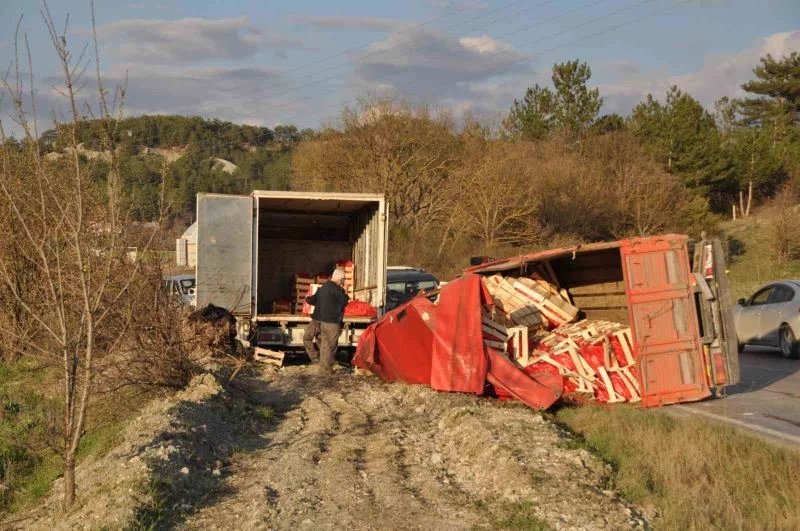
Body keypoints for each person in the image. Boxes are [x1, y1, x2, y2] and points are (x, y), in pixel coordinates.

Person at [303, 267, 350, 375]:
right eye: (343, 280)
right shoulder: (337, 289)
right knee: (330, 346)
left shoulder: (324, 287)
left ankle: (323, 368)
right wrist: (346, 292)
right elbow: (343, 302)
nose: (343, 282)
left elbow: (313, 300)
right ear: (340, 279)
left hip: (323, 321)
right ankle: (325, 371)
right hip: (332, 322)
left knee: (325, 345)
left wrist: (306, 299)